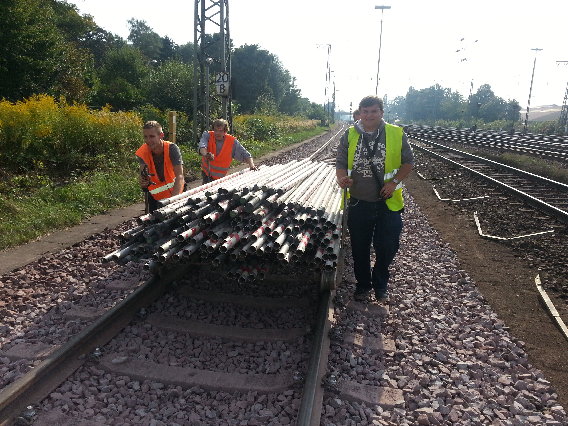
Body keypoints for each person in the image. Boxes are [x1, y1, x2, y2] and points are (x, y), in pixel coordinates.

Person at [336, 96, 414, 303]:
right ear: (360, 113)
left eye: (373, 111)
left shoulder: (396, 133)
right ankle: (363, 285)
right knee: (359, 247)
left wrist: (393, 182)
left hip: (387, 202)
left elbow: (408, 163)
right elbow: (341, 162)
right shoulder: (350, 134)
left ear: (381, 112)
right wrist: (342, 178)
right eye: (365, 111)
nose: (369, 115)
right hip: (359, 201)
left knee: (388, 246)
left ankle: (380, 283)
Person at [136, 121, 185, 213]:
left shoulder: (172, 149)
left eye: (152, 136)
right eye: (145, 137)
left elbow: (180, 176)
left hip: (175, 193)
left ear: (161, 135)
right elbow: (142, 176)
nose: (148, 140)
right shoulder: (142, 152)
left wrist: (173, 201)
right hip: (155, 197)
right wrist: (143, 181)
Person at [198, 118, 258, 184]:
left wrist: (252, 165)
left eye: (220, 131)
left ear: (225, 131)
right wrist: (206, 154)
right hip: (207, 173)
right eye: (215, 130)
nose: (217, 133)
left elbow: (245, 154)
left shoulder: (232, 141)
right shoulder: (208, 135)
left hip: (220, 178)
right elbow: (202, 146)